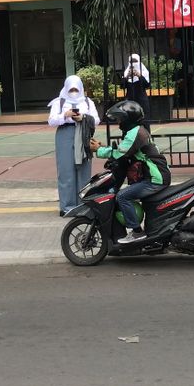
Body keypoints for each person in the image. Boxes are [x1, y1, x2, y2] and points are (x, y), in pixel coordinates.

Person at [89, 100, 171, 244]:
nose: (119, 122)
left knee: (122, 196)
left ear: (128, 119)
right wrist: (104, 147)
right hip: (154, 176)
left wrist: (99, 150)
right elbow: (125, 150)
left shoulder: (135, 132)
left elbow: (121, 153)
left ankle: (137, 232)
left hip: (154, 178)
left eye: (120, 119)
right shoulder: (137, 130)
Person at [49, 75, 100, 216]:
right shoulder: (59, 102)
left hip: (83, 133)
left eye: (76, 89)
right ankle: (67, 206)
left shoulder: (88, 102)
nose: (73, 92)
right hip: (65, 134)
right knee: (66, 171)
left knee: (83, 169)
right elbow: (51, 121)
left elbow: (96, 119)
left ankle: (83, 205)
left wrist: (83, 117)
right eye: (71, 89)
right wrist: (64, 115)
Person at [121, 54, 151, 129]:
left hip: (142, 100)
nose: (133, 63)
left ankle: (146, 138)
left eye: (135, 61)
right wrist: (127, 76)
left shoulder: (144, 72)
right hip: (130, 100)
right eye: (131, 61)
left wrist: (139, 75)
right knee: (129, 120)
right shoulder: (126, 72)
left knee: (144, 120)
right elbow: (122, 86)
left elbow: (147, 85)